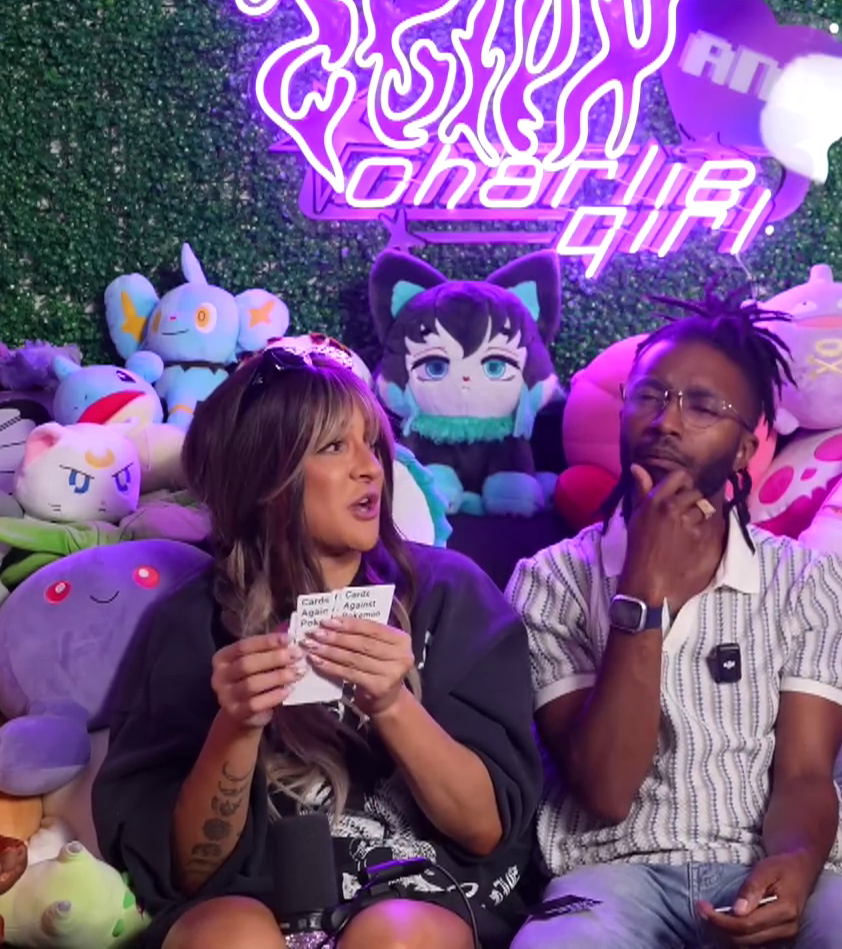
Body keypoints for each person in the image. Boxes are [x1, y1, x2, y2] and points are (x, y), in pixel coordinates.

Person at [505, 288, 842, 949]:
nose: (665, 422)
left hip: (764, 863)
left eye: (702, 407)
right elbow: (606, 790)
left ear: (743, 448)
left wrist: (794, 866)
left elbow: (805, 776)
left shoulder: (805, 581)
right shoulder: (549, 581)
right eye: (649, 396)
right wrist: (642, 585)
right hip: (611, 876)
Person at [92, 343, 544, 949]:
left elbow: (485, 830)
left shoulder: (451, 594)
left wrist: (393, 705)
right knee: (232, 937)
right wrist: (236, 725)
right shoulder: (191, 622)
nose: (371, 469)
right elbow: (186, 872)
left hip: (419, 892)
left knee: (396, 934)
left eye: (372, 444)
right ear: (263, 475)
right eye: (334, 447)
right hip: (253, 898)